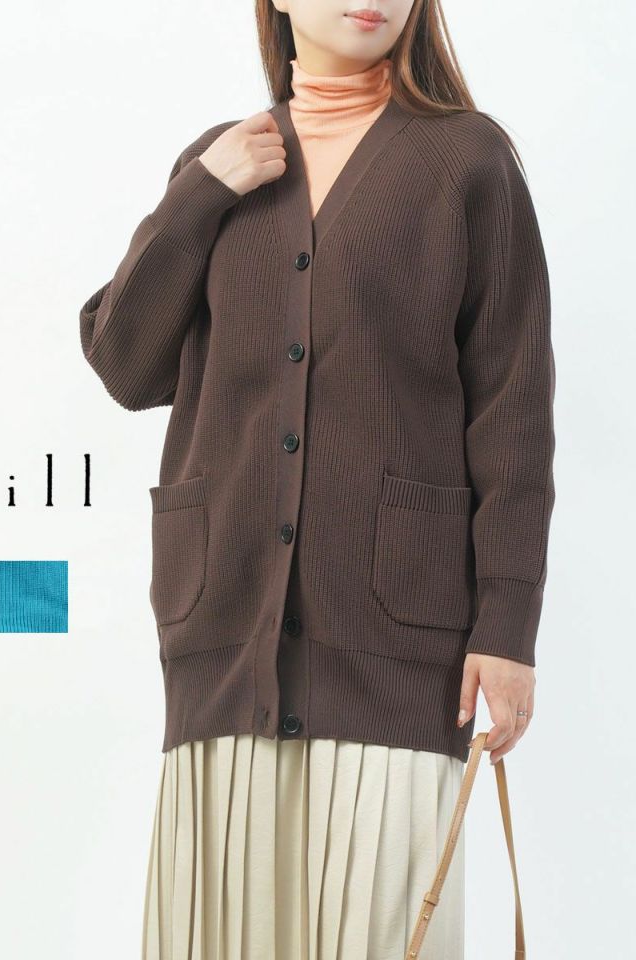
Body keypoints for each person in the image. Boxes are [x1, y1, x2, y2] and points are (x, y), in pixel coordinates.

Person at [78, 1, 556, 956]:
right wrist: (199, 197)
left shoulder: (467, 161)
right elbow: (126, 364)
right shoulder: (217, 163)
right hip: (226, 647)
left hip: (396, 643)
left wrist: (506, 628)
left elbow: (512, 411)